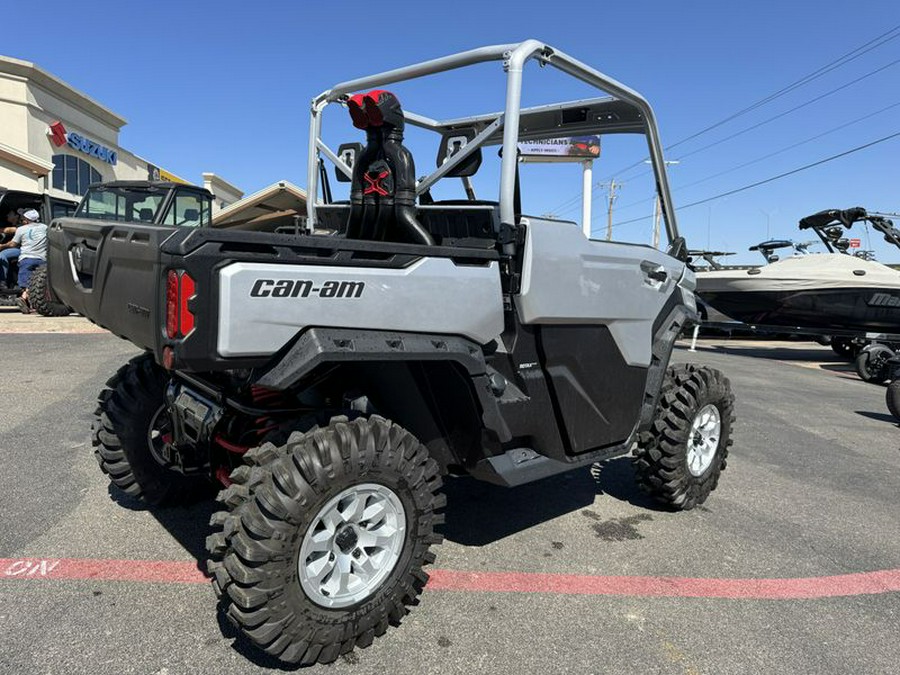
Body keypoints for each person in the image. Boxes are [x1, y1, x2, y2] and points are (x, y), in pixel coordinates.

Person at [3, 209, 47, 312]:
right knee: (37, 283)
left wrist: (2, 246)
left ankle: (23, 298)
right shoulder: (45, 228)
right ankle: (29, 303)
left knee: (26, 283)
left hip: (26, 259)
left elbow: (13, 244)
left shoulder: (21, 229)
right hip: (42, 259)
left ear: (26, 220)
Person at [0, 209, 21, 289]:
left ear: (16, 216)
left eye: (10, 214)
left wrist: (2, 246)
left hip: (21, 249)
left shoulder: (21, 225)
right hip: (11, 248)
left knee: (1, 256)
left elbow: (8, 230)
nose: (7, 215)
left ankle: (2, 282)